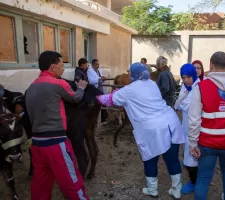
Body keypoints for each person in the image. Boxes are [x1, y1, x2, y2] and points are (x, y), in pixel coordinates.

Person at [97, 62, 185, 199]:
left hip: (152, 129)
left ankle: (152, 189)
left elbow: (108, 100)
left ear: (133, 74)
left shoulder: (128, 90)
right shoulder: (152, 84)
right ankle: (177, 189)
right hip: (171, 122)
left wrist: (96, 97)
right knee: (172, 159)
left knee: (150, 158)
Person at [25, 51, 89, 200]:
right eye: (61, 66)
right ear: (53, 67)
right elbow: (75, 99)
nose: (63, 69)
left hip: (36, 144)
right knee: (72, 183)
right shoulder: (58, 83)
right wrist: (81, 88)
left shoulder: (31, 87)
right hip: (56, 143)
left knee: (41, 185)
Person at [188, 52, 225, 200]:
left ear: (211, 66)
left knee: (203, 177)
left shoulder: (201, 87)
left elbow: (194, 120)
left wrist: (192, 143)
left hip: (207, 143)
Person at [174, 64, 200, 195]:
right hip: (186, 124)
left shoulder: (199, 87)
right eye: (183, 77)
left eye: (188, 77)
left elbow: (191, 106)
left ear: (194, 75)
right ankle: (195, 180)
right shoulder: (186, 86)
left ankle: (194, 183)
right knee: (189, 154)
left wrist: (183, 105)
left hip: (195, 127)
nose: (185, 80)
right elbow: (181, 103)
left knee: (191, 157)